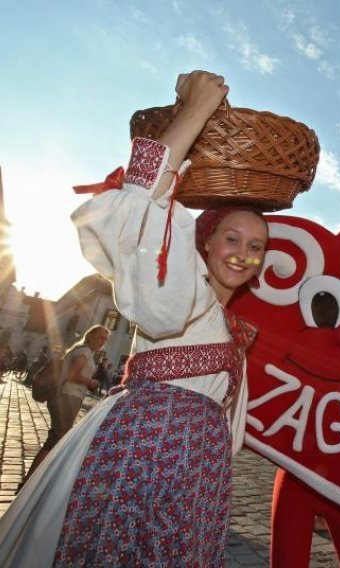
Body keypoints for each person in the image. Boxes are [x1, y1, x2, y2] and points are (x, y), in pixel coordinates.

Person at [0, 70, 265, 566]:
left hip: (197, 476)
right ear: (203, 242)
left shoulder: (234, 333)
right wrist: (196, 112)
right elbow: (141, 202)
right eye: (232, 238)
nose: (243, 253)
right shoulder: (182, 287)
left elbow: (231, 431)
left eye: (256, 246)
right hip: (145, 452)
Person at [18, 325, 108, 487]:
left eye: (105, 339)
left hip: (67, 396)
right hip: (67, 397)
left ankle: (38, 479)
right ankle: (29, 482)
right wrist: (90, 382)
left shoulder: (79, 350)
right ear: (91, 336)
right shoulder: (85, 352)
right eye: (101, 337)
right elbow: (73, 374)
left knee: (58, 437)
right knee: (56, 439)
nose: (103, 341)